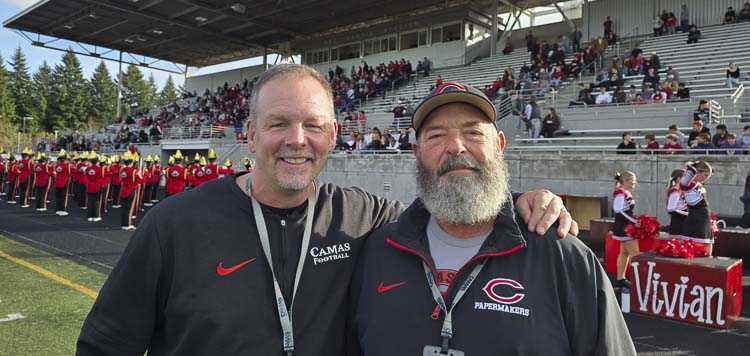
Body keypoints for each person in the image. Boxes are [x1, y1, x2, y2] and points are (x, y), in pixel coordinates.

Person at [77, 65, 575, 356]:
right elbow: (104, 347)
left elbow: (453, 206)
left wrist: (519, 202)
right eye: (278, 124)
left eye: (313, 126)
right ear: (249, 135)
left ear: (333, 137)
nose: (297, 140)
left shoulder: (366, 217)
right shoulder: (173, 225)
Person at [347, 84, 635, 356]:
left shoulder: (564, 258)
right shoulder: (377, 251)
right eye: (436, 136)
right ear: (416, 152)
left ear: (499, 145)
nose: (455, 146)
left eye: (473, 133)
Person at [679, 161, 715, 255]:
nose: (706, 178)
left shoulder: (694, 184)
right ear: (697, 172)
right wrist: (690, 167)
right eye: (705, 175)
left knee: (707, 251)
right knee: (696, 252)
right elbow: (683, 182)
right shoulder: (687, 184)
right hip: (696, 220)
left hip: (703, 219)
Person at [611, 171, 639, 288]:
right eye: (633, 180)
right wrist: (634, 222)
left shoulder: (624, 192)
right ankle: (637, 280)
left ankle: (620, 279)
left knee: (624, 253)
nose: (635, 182)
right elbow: (618, 210)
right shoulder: (620, 193)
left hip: (624, 226)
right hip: (624, 227)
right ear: (627, 180)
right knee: (635, 254)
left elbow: (625, 211)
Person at [666, 169, 687, 239]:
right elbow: (671, 209)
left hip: (682, 223)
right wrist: (688, 214)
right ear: (679, 179)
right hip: (678, 224)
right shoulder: (675, 190)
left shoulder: (680, 190)